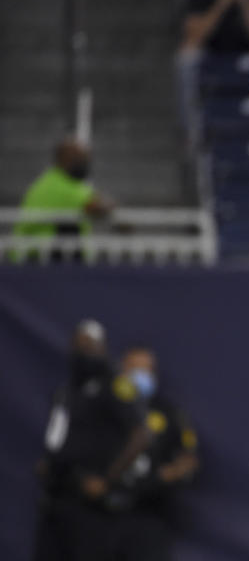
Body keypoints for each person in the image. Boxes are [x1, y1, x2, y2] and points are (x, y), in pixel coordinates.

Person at [32, 321, 149, 561]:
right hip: (57, 493)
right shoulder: (69, 388)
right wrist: (49, 460)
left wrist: (107, 479)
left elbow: (142, 434)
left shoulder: (117, 385)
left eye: (89, 347)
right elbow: (59, 431)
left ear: (102, 349)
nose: (82, 352)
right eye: (78, 346)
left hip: (90, 502)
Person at [109, 347, 200, 561]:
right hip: (99, 514)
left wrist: (174, 472)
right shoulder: (103, 406)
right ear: (121, 369)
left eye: (147, 369)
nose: (142, 375)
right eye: (135, 368)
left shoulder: (168, 414)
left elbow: (188, 459)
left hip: (148, 514)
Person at [11, 139, 113, 263]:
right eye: (78, 159)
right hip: (36, 260)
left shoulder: (59, 182)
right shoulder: (58, 184)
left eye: (85, 159)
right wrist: (112, 206)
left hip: (45, 258)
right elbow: (96, 207)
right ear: (62, 160)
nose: (84, 163)